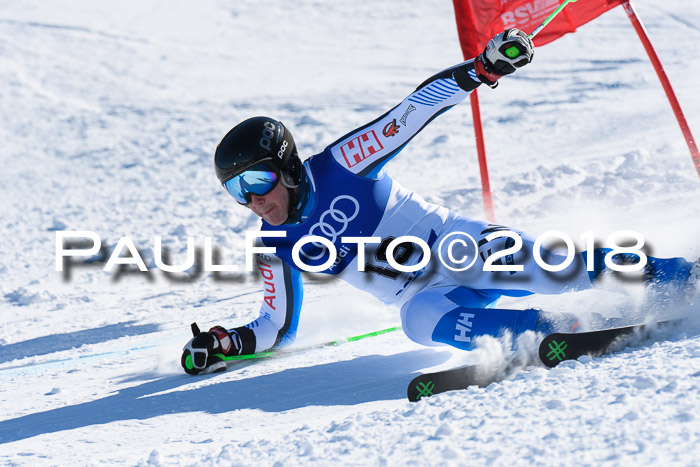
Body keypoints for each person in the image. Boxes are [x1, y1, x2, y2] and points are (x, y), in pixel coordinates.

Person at [181, 29, 698, 375]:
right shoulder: (278, 243)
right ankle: (549, 332)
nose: (251, 200)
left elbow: (411, 112)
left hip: (459, 248)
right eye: (235, 190)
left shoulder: (342, 164)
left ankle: (681, 276)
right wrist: (226, 344)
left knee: (557, 268)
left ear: (288, 165)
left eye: (255, 179)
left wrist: (481, 69)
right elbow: (276, 324)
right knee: (417, 320)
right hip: (427, 297)